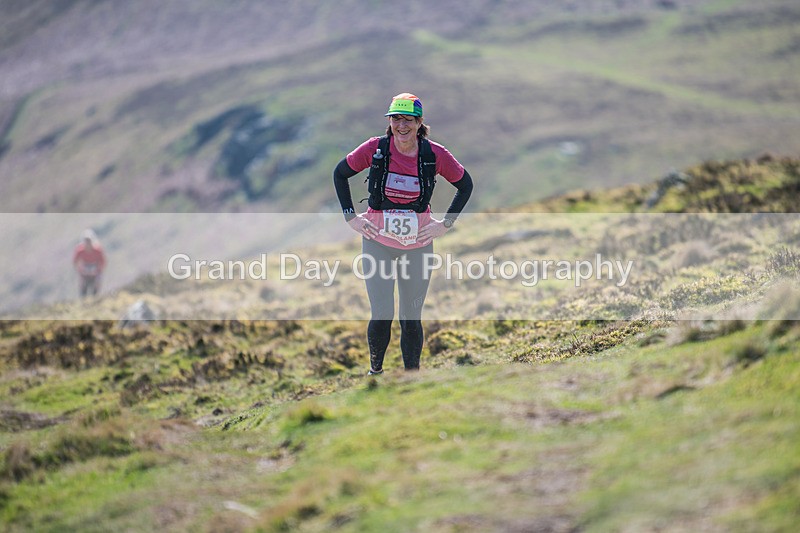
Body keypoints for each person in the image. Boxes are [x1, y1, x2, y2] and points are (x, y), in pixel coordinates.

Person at [333, 93, 473, 375]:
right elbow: (340, 173)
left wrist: (445, 224)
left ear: (419, 122)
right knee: (382, 314)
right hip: (378, 243)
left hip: (418, 245)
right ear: (390, 121)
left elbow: (465, 185)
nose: (402, 125)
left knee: (411, 317)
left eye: (408, 119)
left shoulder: (434, 154)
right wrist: (351, 217)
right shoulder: (376, 148)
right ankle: (375, 373)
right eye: (396, 119)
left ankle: (411, 380)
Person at [73, 229, 106, 297]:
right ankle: (84, 303)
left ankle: (95, 301)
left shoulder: (97, 250)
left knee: (95, 288)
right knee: (83, 288)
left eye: (89, 241)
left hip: (95, 270)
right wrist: (80, 270)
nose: (88, 243)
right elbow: (75, 261)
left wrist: (99, 271)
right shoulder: (80, 250)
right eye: (86, 241)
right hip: (84, 271)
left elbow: (102, 261)